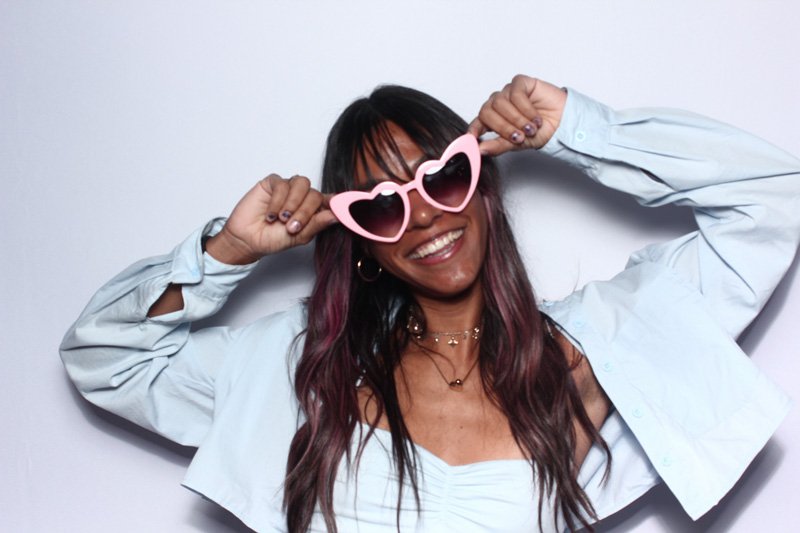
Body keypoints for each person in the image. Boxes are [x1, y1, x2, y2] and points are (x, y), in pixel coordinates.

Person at [60, 75, 800, 532]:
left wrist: (578, 130)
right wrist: (226, 252)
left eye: (442, 177)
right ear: (361, 240)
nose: (421, 216)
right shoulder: (304, 368)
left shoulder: (593, 351)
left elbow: (773, 200)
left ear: (482, 183)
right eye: (382, 205)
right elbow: (107, 361)